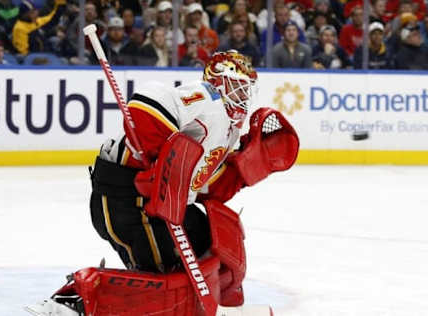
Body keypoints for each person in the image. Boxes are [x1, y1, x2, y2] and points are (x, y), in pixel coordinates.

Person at [27, 50, 298, 315]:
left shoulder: (229, 129)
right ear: (217, 81)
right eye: (237, 87)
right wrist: (161, 165)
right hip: (127, 198)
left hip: (151, 203)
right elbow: (145, 105)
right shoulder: (207, 97)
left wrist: (241, 171)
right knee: (166, 279)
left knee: (205, 239)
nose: (243, 96)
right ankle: (70, 303)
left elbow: (202, 187)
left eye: (246, 89)